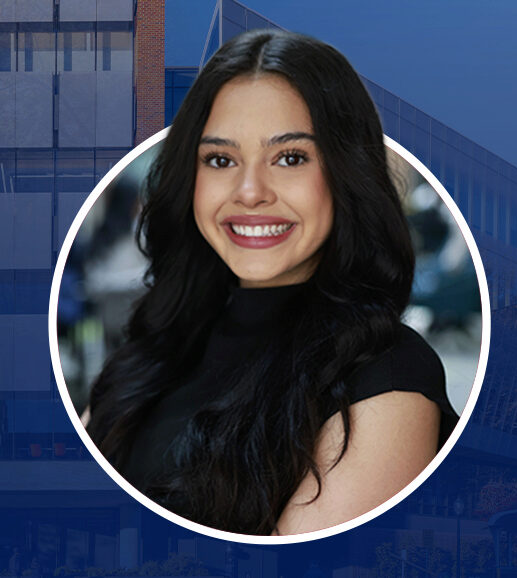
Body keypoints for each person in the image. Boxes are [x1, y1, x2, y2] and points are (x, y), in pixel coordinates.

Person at [82, 28, 458, 536]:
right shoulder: (150, 353)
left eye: (290, 158)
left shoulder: (389, 374)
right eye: (220, 159)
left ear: (347, 173)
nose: (250, 192)